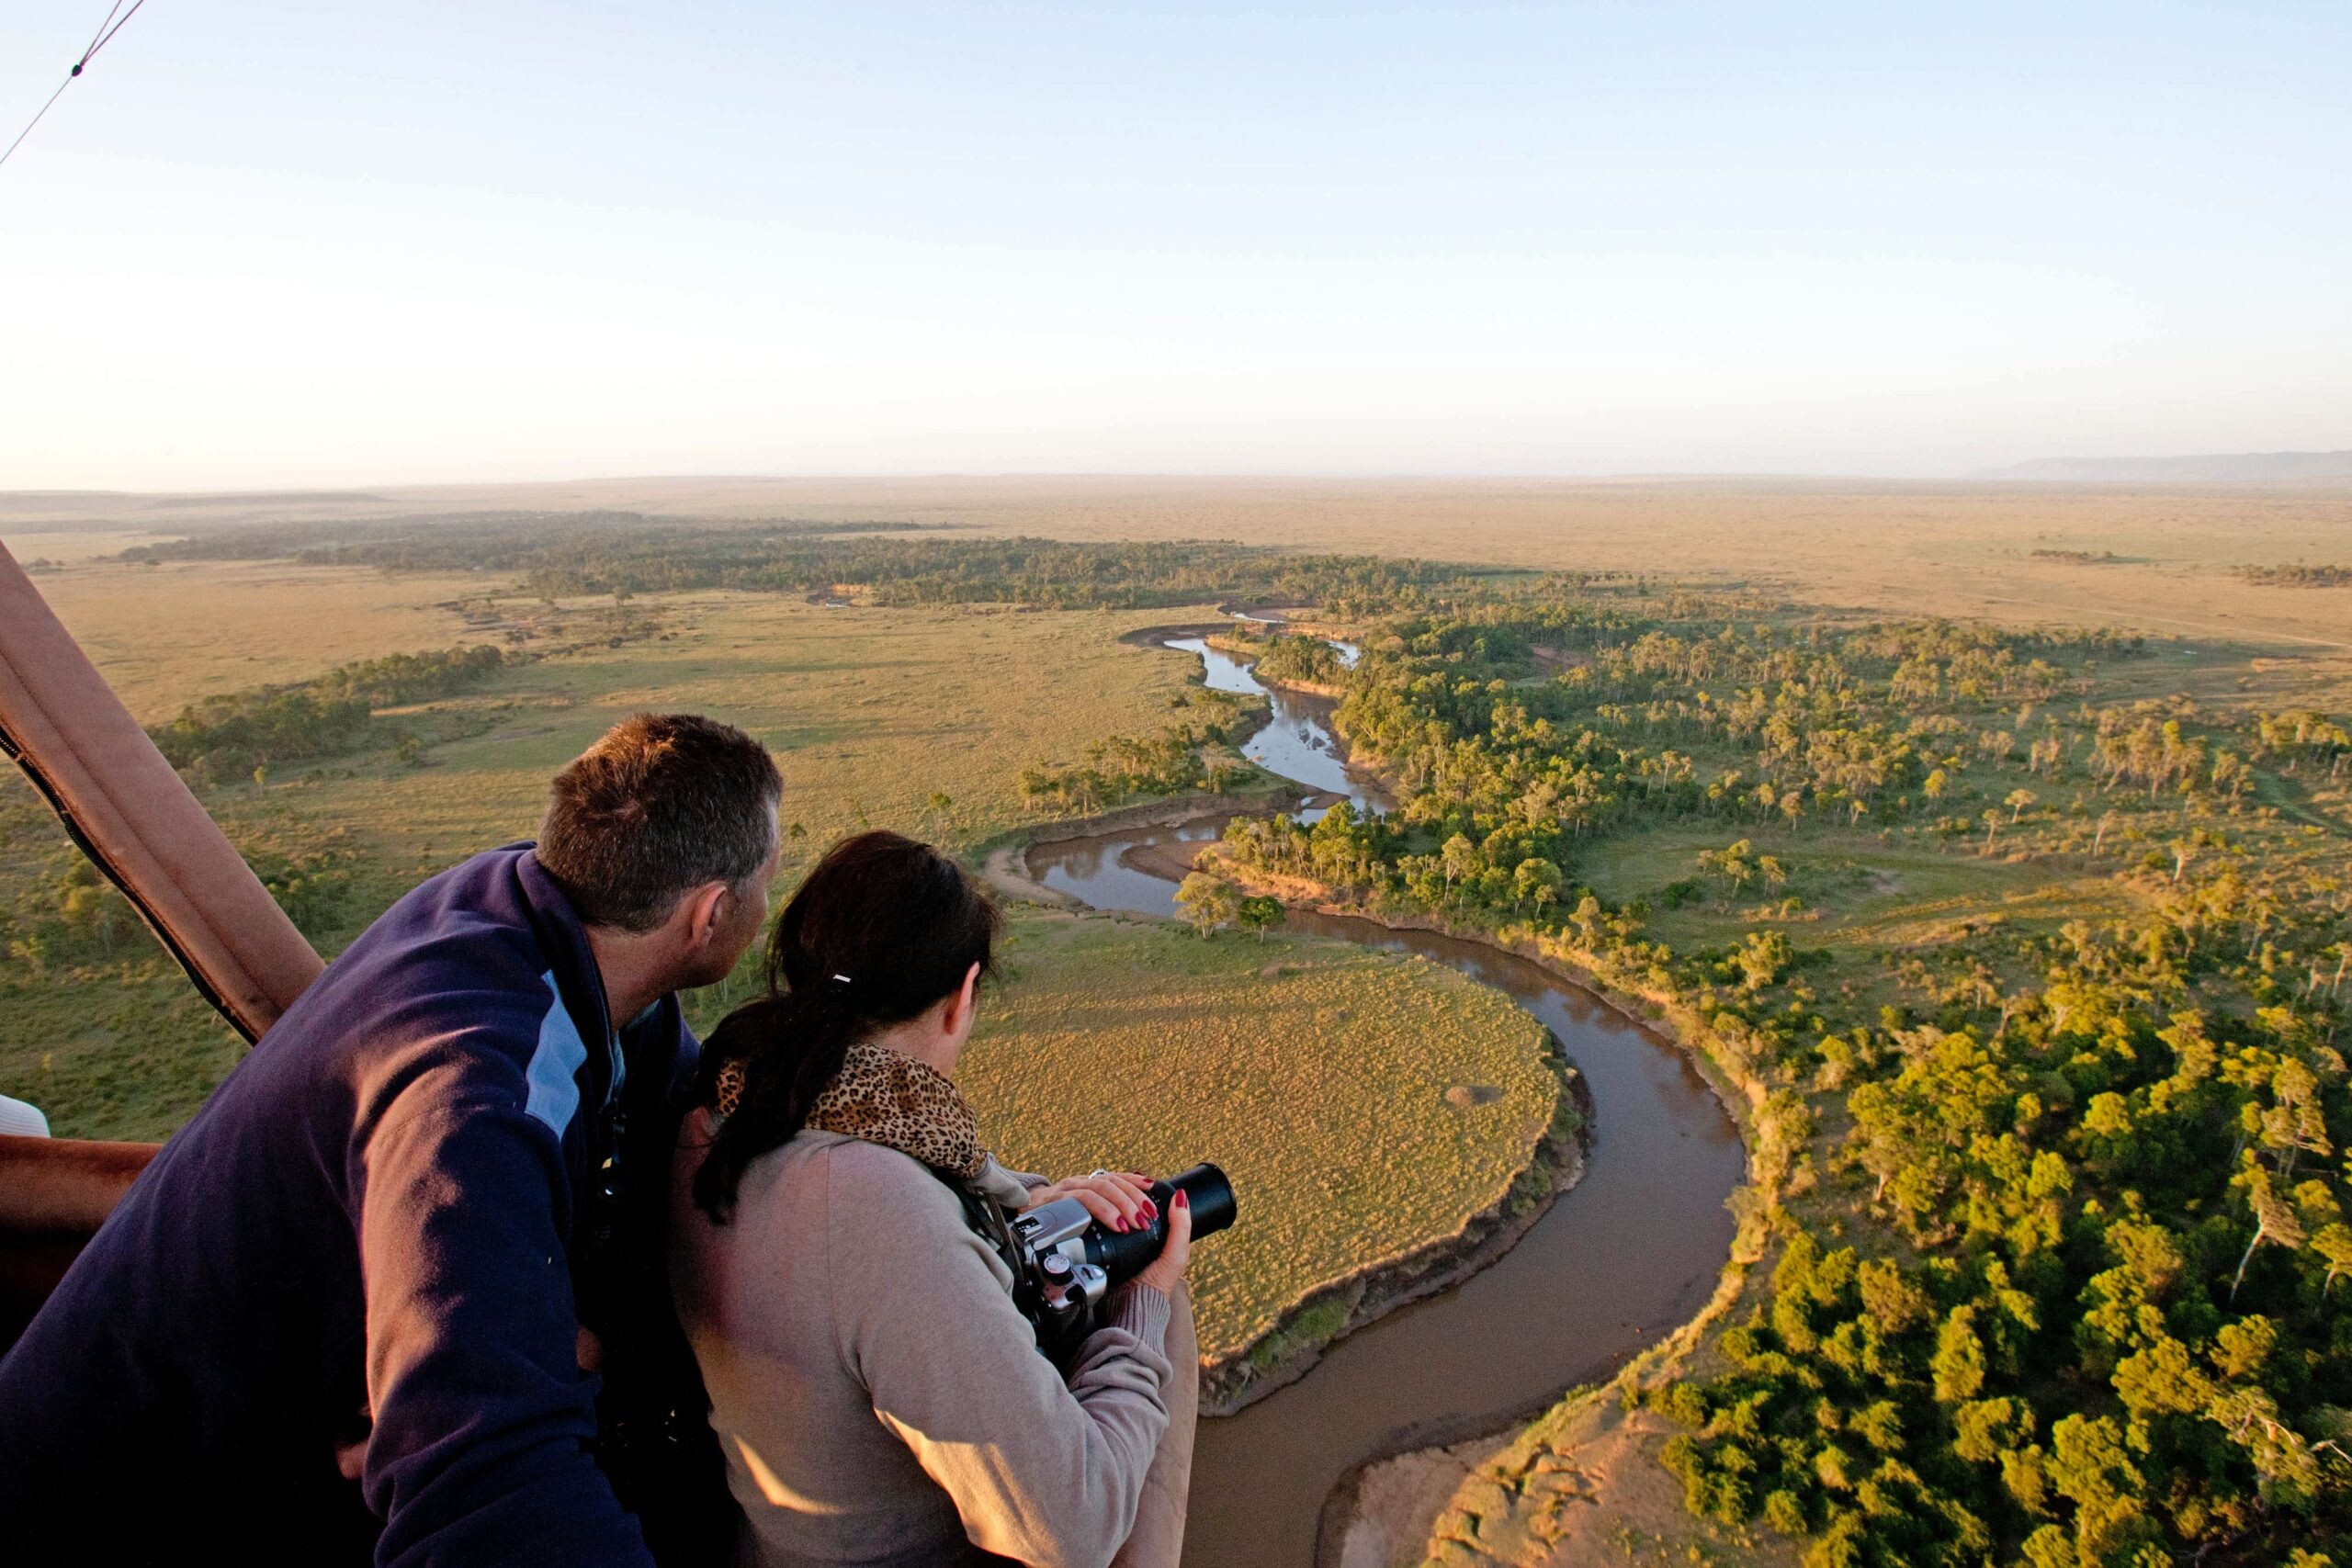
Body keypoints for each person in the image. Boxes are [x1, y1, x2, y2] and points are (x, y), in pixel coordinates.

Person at [0, 712, 783, 1565]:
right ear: (709, 915)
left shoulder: (526, 912)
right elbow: (491, 1491)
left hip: (254, 1434)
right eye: (766, 883)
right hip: (128, 1513)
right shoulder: (479, 1096)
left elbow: (678, 1101)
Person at [673, 830, 1198, 1568]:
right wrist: (1141, 1305)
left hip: (780, 1540)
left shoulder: (726, 1112)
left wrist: (1030, 1203)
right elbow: (1071, 1533)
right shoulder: (876, 1207)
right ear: (963, 996)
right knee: (1162, 1311)